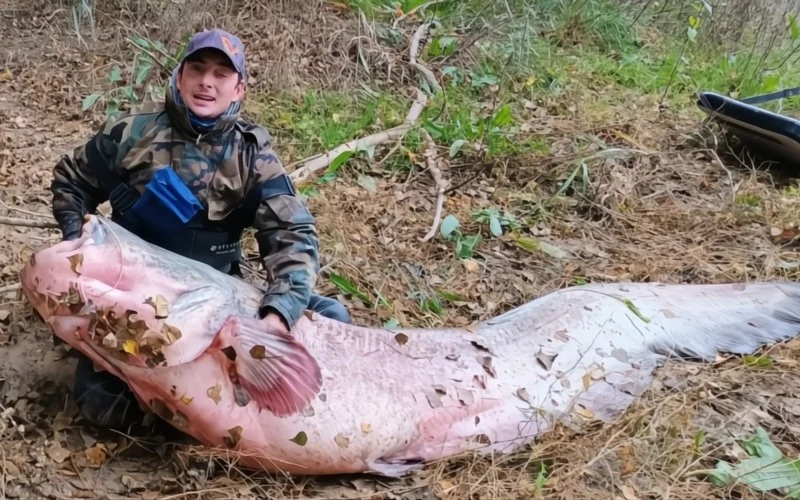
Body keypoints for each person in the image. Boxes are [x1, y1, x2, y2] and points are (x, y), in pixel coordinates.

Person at [50, 28, 351, 430]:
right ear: (180, 76)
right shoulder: (132, 132)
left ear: (238, 88)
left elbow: (292, 233)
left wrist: (278, 314)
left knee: (330, 316)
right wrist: (79, 241)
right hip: (134, 293)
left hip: (213, 293)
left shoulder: (252, 154)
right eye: (197, 69)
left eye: (221, 74)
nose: (207, 82)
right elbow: (71, 181)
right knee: (103, 405)